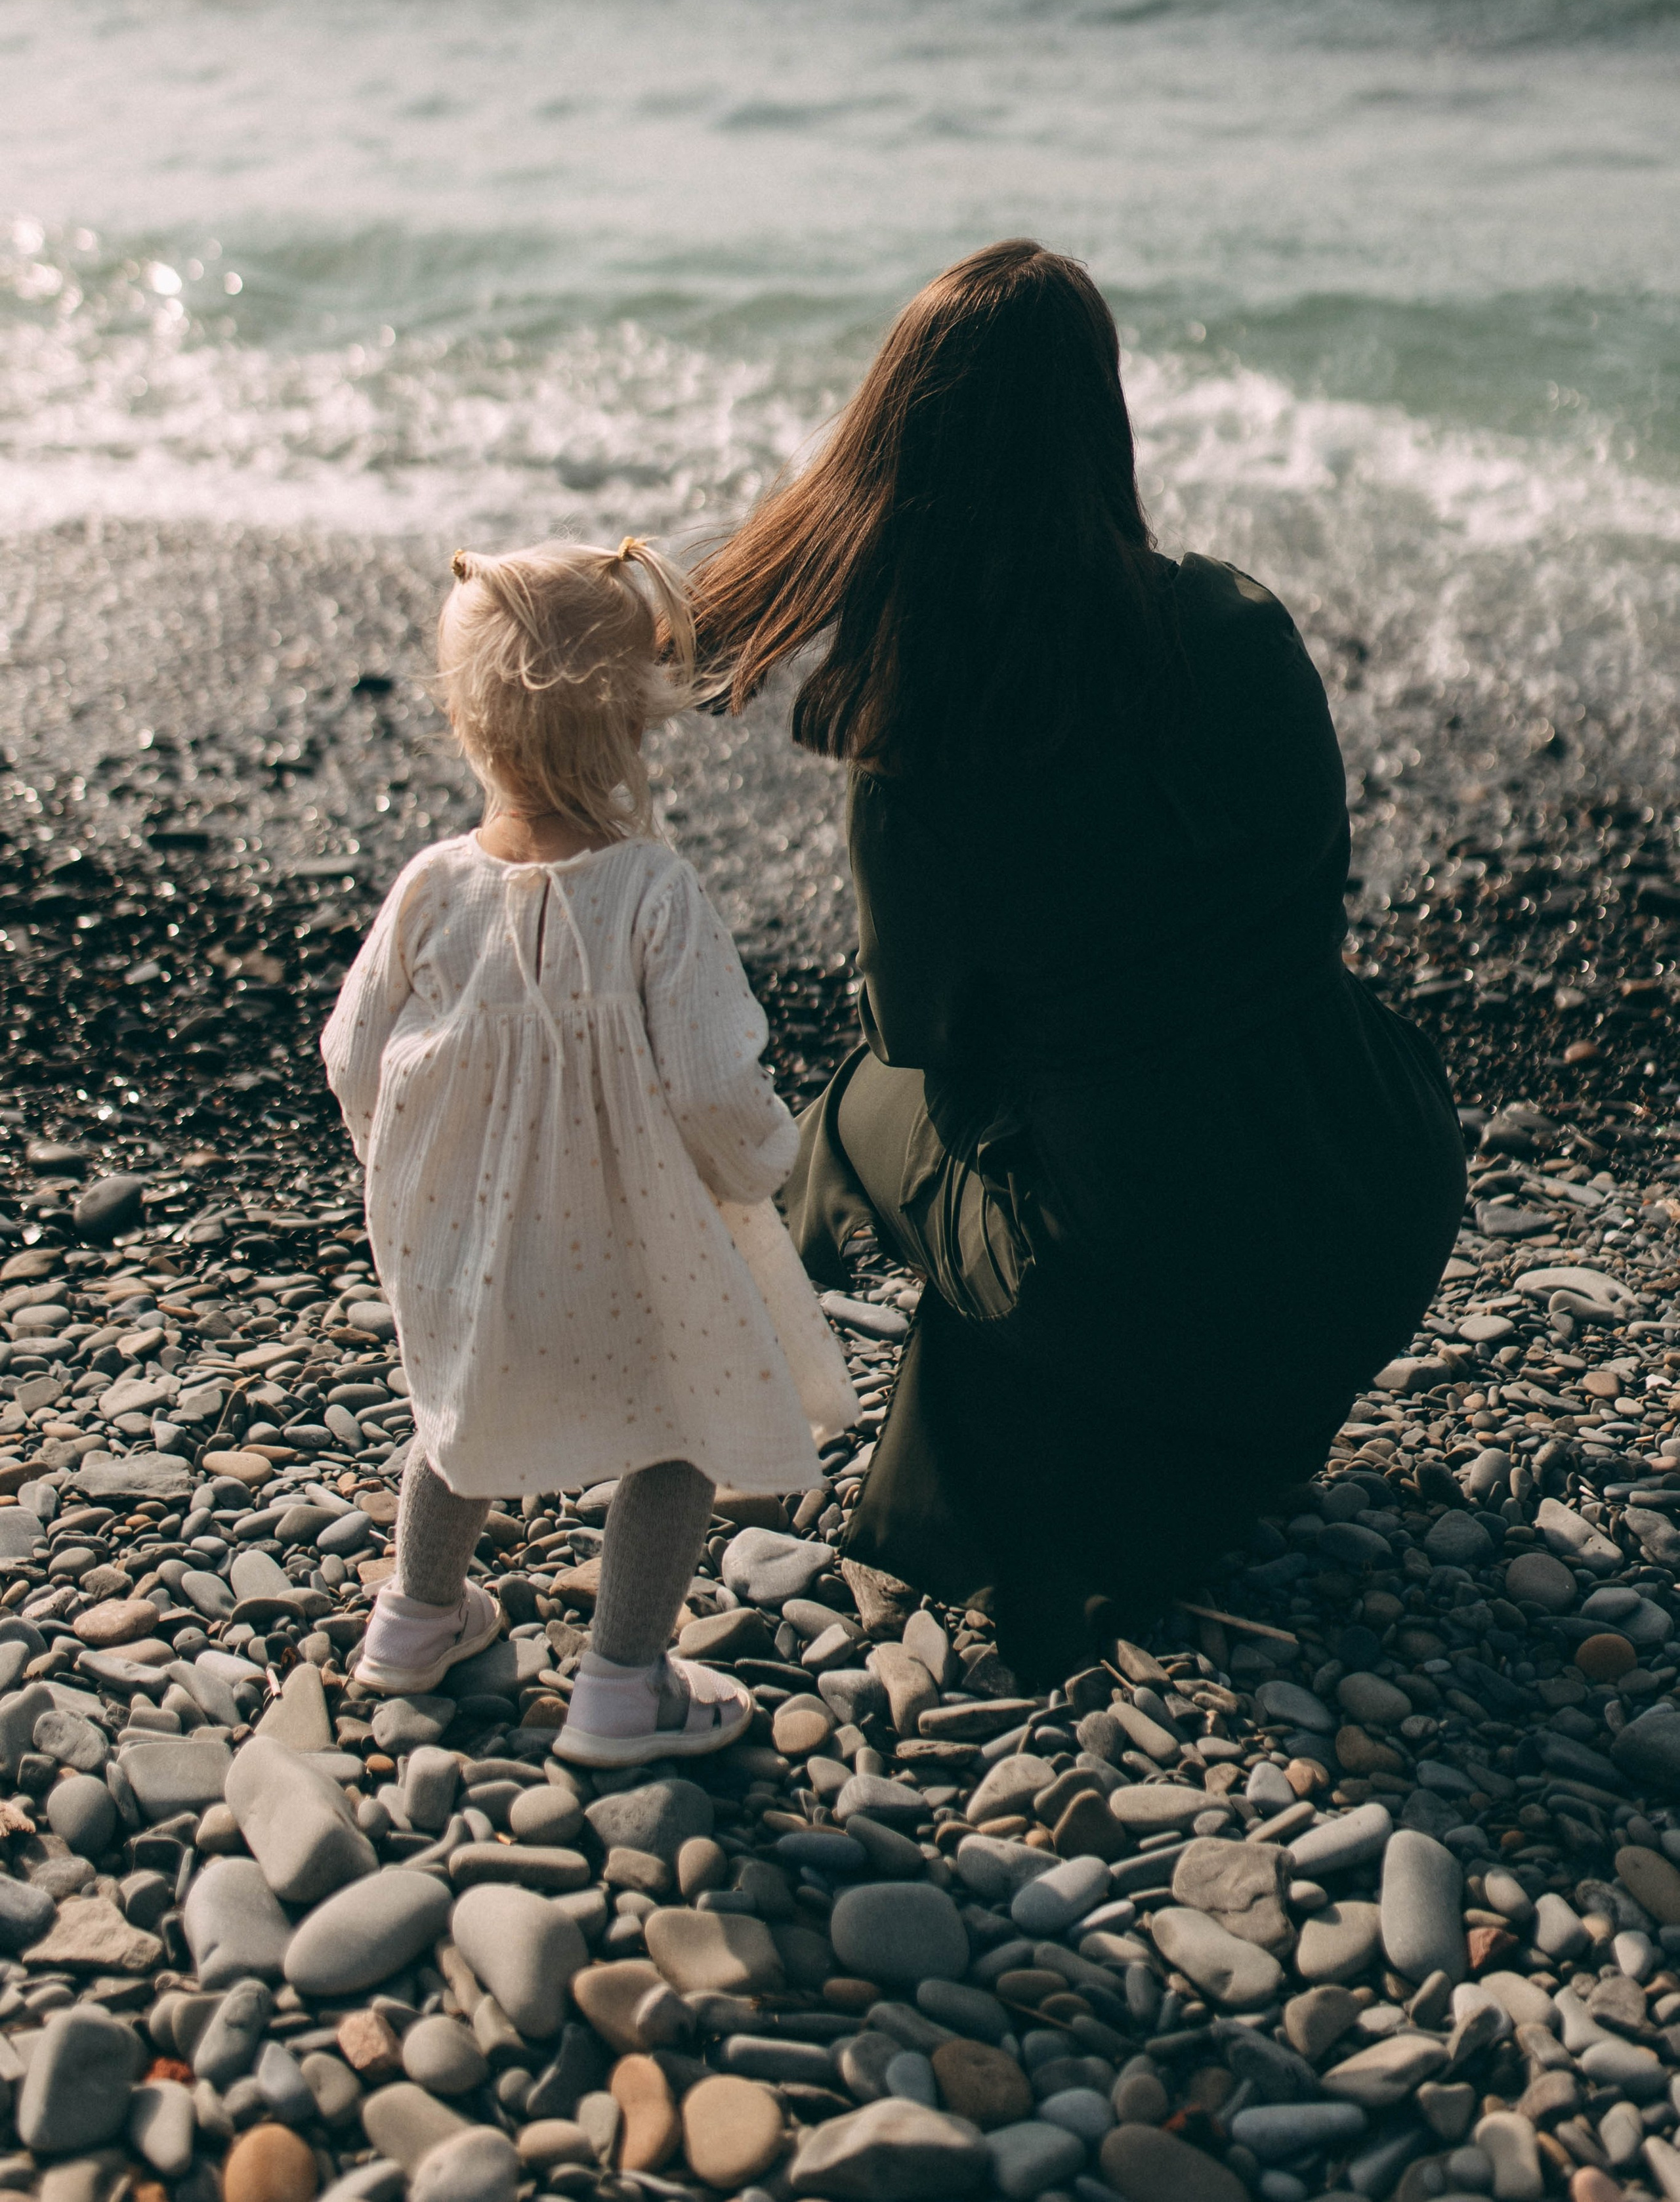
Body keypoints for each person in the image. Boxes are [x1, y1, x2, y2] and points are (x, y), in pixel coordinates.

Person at [692, 238, 1467, 1689]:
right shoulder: (1239, 625)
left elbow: (919, 1037)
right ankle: (1158, 1419)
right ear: (1099, 419)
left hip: (1138, 1272)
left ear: (898, 448)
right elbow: (1306, 887)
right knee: (1119, 1124)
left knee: (860, 1109)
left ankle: (720, 1376)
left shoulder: (921, 744)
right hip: (1373, 1196)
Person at [322, 536, 854, 1762]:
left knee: (455, 1413)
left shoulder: (431, 888)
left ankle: (414, 1621)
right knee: (676, 1432)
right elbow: (717, 1083)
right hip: (636, 1246)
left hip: (474, 1231)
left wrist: (408, 1173)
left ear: (466, 719)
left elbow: (354, 1056)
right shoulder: (653, 892)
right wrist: (761, 1165)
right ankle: (621, 1685)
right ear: (632, 729)